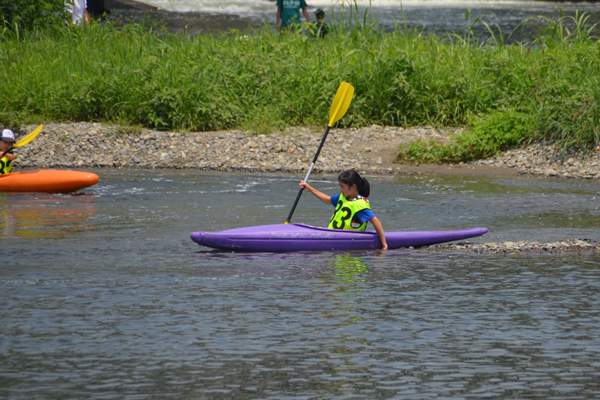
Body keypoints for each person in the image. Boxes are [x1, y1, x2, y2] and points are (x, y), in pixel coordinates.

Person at [300, 170, 388, 250]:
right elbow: (328, 200)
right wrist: (310, 189)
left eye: (342, 186)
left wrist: (384, 245)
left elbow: (376, 222)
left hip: (349, 242)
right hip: (333, 235)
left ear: (353, 187)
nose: (340, 189)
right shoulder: (343, 196)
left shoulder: (360, 205)